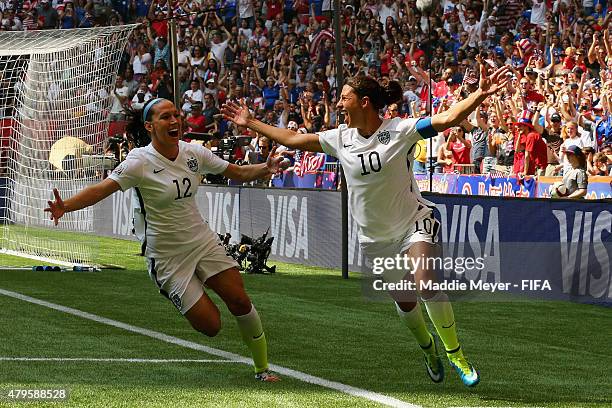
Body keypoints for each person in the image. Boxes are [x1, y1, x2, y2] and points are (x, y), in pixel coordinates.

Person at [222, 63, 510, 387]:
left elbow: (446, 119)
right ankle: (428, 349)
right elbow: (293, 138)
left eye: (344, 98)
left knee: (426, 280)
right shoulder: (339, 138)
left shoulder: (400, 130)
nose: (338, 104)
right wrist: (251, 122)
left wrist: (478, 95)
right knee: (405, 301)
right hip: (375, 238)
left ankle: (455, 353)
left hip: (413, 221)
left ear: (363, 102)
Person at [44, 98, 285, 382]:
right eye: (165, 117)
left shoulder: (194, 153)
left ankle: (262, 369)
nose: (174, 121)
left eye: (176, 115)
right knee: (211, 326)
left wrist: (265, 168)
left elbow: (238, 172)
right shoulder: (139, 161)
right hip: (167, 257)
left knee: (240, 301)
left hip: (202, 242)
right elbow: (102, 189)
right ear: (149, 126)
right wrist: (66, 206)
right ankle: (179, 291)